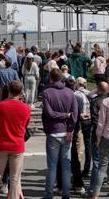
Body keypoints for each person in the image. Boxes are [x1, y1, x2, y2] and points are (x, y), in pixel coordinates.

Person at [0, 80, 31, 199]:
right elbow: (25, 124)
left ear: (8, 90)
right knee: (15, 179)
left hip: (1, 144)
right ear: (21, 92)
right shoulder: (26, 108)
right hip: (17, 145)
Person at [42, 69, 78, 199]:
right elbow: (74, 115)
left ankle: (48, 194)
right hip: (66, 131)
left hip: (53, 131)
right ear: (61, 78)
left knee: (52, 165)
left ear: (51, 79)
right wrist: (70, 128)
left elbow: (49, 114)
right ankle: (66, 194)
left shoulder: (46, 92)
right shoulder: (70, 92)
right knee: (66, 165)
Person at [87, 81, 109, 197]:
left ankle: (93, 189)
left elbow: (95, 119)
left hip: (98, 133)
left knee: (97, 163)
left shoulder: (95, 101)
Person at [71, 77, 92, 193]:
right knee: (88, 145)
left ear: (78, 84)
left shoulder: (76, 94)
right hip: (89, 120)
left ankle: (77, 167)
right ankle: (87, 168)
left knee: (78, 146)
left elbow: (75, 109)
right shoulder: (90, 93)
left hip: (80, 121)